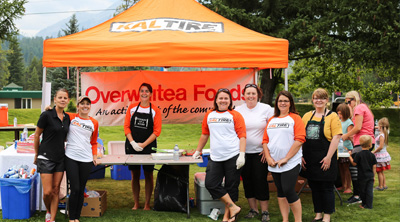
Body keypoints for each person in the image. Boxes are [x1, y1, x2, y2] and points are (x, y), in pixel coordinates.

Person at [193, 88, 246, 222]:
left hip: (233, 155)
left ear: (230, 101)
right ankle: (234, 207)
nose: (223, 100)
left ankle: (228, 216)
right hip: (216, 157)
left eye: (226, 98)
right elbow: (205, 134)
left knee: (231, 186)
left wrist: (242, 154)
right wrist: (197, 151)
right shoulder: (209, 114)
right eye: (220, 98)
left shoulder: (235, 115)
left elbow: (242, 136)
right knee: (211, 184)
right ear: (216, 100)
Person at [262, 90, 305, 222]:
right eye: (280, 100)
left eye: (286, 101)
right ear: (276, 103)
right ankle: (285, 219)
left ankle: (298, 220)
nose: (283, 103)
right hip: (274, 163)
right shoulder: (271, 119)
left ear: (290, 103)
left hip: (290, 162)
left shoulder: (295, 118)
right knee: (280, 191)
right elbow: (265, 141)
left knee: (288, 190)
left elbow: (300, 140)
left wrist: (286, 158)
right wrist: (268, 158)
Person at [302, 88, 342, 222]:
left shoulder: (332, 116)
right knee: (314, 187)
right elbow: (301, 137)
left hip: (326, 157)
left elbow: (336, 137)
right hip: (310, 159)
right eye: (316, 98)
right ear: (312, 100)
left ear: (327, 100)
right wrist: (301, 155)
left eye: (322, 98)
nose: (319, 100)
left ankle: (327, 216)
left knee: (326, 187)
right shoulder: (307, 116)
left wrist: (329, 157)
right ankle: (318, 214)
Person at [235, 83, 274, 222]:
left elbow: (273, 130)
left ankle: (265, 211)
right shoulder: (238, 110)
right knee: (247, 181)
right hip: (243, 153)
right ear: (243, 95)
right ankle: (253, 209)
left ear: (258, 95)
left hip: (260, 153)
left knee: (260, 180)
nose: (251, 96)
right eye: (248, 93)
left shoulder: (266, 109)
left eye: (253, 93)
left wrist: (267, 150)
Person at [34, 89, 71, 222]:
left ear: (68, 101)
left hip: (60, 158)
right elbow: (37, 135)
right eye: (60, 97)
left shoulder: (67, 118)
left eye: (65, 98)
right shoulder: (46, 115)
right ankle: (48, 210)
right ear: (54, 99)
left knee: (56, 190)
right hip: (45, 156)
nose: (62, 100)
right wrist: (36, 154)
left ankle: (52, 219)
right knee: (47, 192)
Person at [124, 83, 162, 210]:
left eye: (146, 91)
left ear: (151, 94)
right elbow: (126, 127)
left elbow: (157, 131)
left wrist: (144, 145)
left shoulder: (155, 110)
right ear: (139, 93)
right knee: (135, 174)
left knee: (148, 174)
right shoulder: (132, 108)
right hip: (132, 145)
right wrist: (133, 143)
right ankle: (136, 203)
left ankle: (146, 204)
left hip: (148, 146)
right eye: (142, 91)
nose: (144, 93)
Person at [65, 96, 99, 222]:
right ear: (78, 106)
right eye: (82, 103)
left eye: (87, 104)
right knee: (75, 188)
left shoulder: (94, 122)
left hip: (86, 159)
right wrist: (48, 108)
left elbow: (94, 142)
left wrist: (95, 157)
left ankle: (77, 217)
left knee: (81, 189)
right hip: (71, 157)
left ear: (90, 106)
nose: (85, 106)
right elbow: (56, 112)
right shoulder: (71, 117)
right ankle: (71, 217)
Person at [342, 91, 375, 204]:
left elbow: (358, 127)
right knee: (360, 170)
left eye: (348, 101)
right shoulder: (364, 107)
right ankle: (362, 195)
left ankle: (357, 196)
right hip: (366, 140)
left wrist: (345, 136)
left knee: (354, 167)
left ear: (354, 99)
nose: (348, 104)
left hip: (362, 142)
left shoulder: (359, 108)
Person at [348, 135, 377, 209]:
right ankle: (369, 205)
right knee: (369, 191)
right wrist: (373, 175)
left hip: (362, 176)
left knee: (362, 191)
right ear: (370, 144)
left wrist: (349, 156)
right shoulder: (372, 155)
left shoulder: (359, 154)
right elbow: (374, 166)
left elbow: (354, 164)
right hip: (370, 175)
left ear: (360, 144)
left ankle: (364, 204)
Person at [336, 103, 354, 194]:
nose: (339, 115)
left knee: (347, 168)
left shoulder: (349, 122)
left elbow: (350, 135)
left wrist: (342, 136)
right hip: (339, 148)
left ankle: (348, 187)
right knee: (341, 167)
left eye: (341, 113)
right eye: (338, 113)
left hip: (347, 148)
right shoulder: (338, 121)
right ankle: (343, 185)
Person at [372, 117, 391, 191]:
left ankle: (380, 186)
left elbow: (380, 147)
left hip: (380, 155)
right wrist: (375, 126)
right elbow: (384, 127)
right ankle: (384, 184)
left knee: (379, 171)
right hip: (383, 155)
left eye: (378, 125)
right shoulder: (386, 132)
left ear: (381, 126)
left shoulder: (381, 136)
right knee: (382, 172)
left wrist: (374, 151)